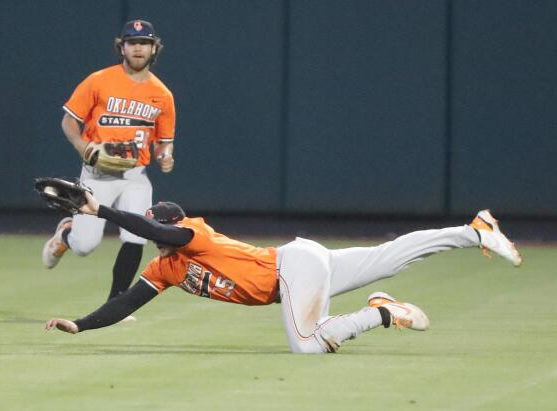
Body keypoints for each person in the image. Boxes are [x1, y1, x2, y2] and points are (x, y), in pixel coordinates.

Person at [46, 192, 522, 354]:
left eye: (158, 225)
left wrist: (101, 209)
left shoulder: (194, 233)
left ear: (170, 224)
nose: (155, 232)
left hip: (292, 271)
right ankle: (473, 231)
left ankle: (380, 313)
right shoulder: (165, 267)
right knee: (392, 256)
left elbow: (159, 230)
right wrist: (82, 324)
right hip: (301, 266)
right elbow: (126, 301)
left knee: (308, 345)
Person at [42, 20, 176, 310]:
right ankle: (67, 233)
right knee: (85, 245)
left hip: (134, 176)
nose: (138, 47)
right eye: (132, 42)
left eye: (145, 42)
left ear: (154, 49)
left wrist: (166, 156)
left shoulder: (162, 95)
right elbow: (69, 121)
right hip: (97, 174)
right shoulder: (99, 80)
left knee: (137, 234)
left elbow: (163, 142)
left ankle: (115, 303)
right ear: (122, 47)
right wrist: (83, 146)